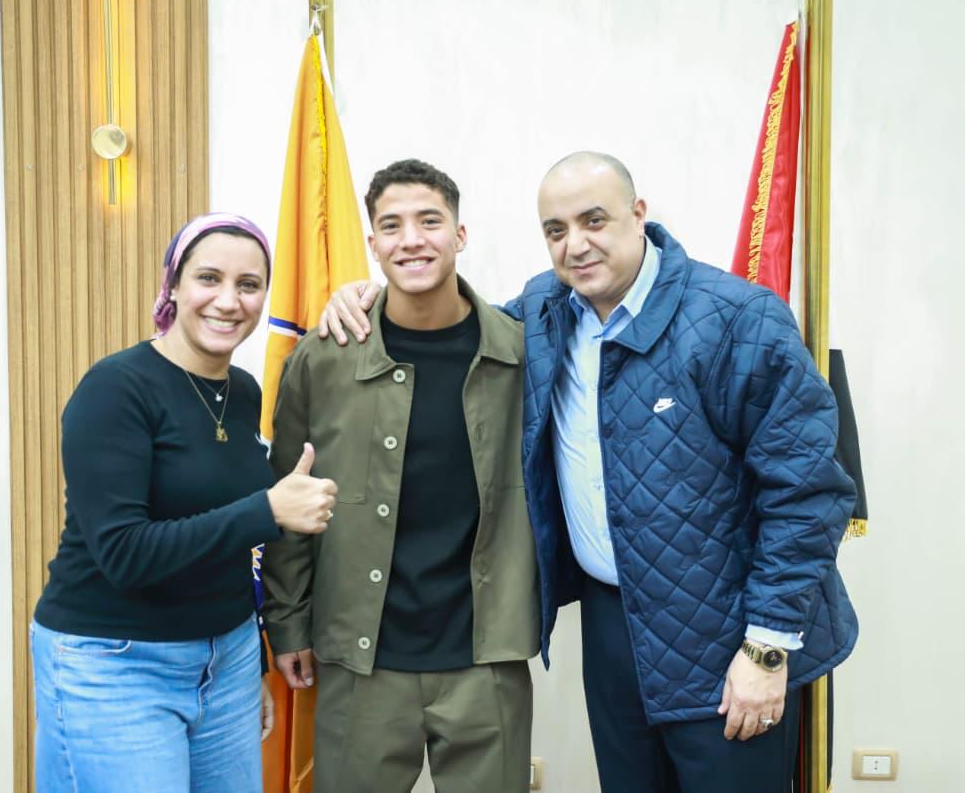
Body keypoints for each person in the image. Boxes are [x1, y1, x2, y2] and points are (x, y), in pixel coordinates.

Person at [318, 152, 858, 793]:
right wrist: (367, 297)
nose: (575, 244)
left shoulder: (737, 320)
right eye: (556, 230)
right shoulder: (543, 314)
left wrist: (766, 648)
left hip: (727, 634)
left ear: (638, 214)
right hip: (613, 631)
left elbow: (808, 493)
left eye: (593, 220)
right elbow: (452, 322)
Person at [30, 213, 338, 792]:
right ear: (173, 285)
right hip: (116, 662)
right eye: (209, 278)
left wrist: (249, 660)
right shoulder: (115, 389)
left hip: (226, 660)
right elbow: (124, 554)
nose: (229, 301)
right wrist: (267, 511)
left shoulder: (242, 392)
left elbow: (227, 547)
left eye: (248, 285)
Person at [261, 160, 539, 793]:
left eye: (429, 221)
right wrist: (289, 622)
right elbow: (287, 502)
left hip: (486, 660)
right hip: (361, 661)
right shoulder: (324, 358)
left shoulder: (523, 353)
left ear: (460, 234)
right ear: (373, 243)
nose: (411, 239)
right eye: (392, 226)